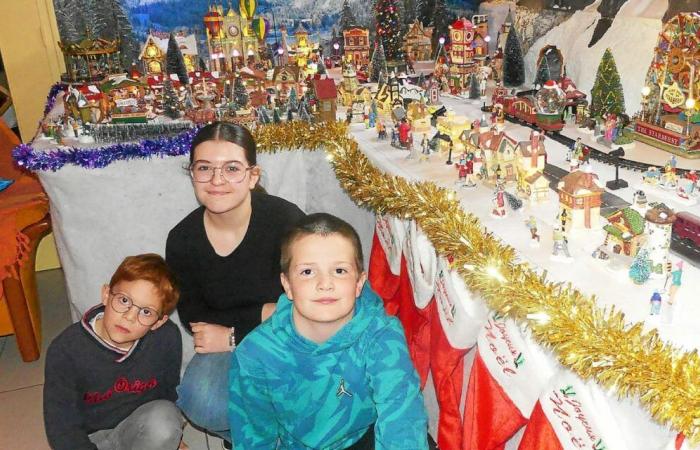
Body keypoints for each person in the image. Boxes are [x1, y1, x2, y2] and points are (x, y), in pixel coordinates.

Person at [229, 213, 429, 449]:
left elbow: (403, 422)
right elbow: (254, 438)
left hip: (365, 437)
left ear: (358, 283)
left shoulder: (381, 336)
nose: (325, 284)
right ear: (287, 285)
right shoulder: (255, 353)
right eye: (307, 272)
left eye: (340, 271)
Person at [166, 122, 305, 444]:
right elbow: (195, 319)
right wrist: (265, 312)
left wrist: (231, 333)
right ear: (192, 174)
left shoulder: (286, 221)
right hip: (234, 344)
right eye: (204, 168)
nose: (217, 181)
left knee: (300, 391)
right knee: (202, 400)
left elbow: (307, 303)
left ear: (253, 175)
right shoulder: (183, 239)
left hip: (293, 338)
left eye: (231, 168)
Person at [43, 254, 184, 450]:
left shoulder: (167, 337)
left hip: (135, 430)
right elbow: (61, 425)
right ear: (106, 294)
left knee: (165, 421)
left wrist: (171, 433)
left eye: (146, 312)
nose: (129, 317)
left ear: (159, 322)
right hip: (88, 439)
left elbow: (168, 391)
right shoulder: (65, 350)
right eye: (124, 300)